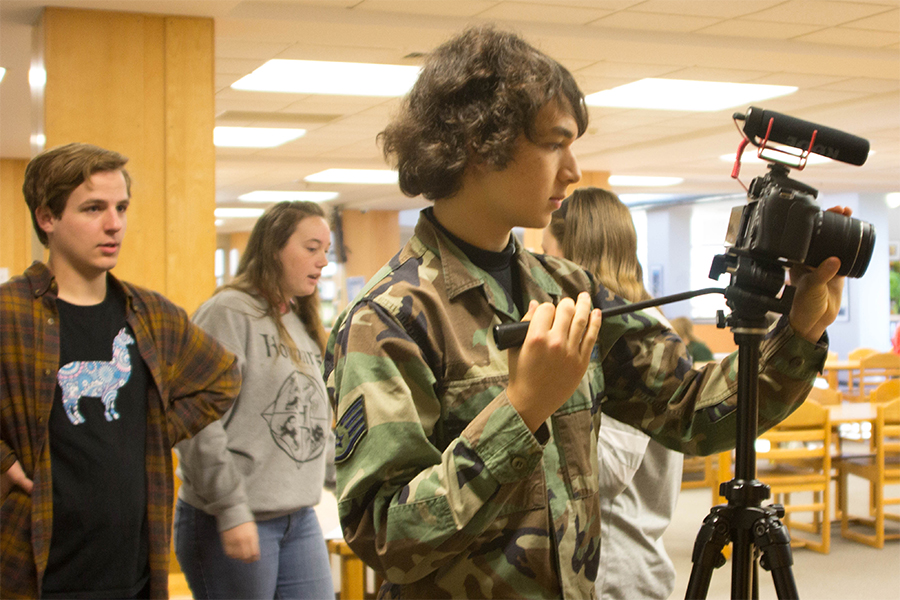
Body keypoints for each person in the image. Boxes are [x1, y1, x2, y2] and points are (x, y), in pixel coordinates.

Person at [323, 25, 846, 599]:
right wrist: (522, 409)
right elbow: (385, 537)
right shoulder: (388, 320)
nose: (572, 170)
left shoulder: (571, 291)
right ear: (479, 143)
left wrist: (796, 331)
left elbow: (694, 412)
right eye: (554, 143)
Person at [0, 143, 240, 599]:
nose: (113, 224)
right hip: (31, 573)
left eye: (121, 208)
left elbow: (223, 378)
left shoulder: (151, 315)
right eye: (93, 208)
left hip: (133, 573)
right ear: (47, 218)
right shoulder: (10, 313)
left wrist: (153, 428)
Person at [173, 201, 336, 600]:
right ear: (274, 248)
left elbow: (311, 420)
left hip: (298, 517)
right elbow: (197, 419)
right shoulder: (229, 312)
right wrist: (231, 509)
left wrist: (353, 485)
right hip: (231, 516)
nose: (322, 262)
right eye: (311, 248)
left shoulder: (299, 322)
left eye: (326, 251)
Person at [543, 187, 682, 599]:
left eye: (547, 255)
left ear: (573, 258)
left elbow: (606, 470)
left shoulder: (630, 334)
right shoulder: (603, 326)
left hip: (616, 573)